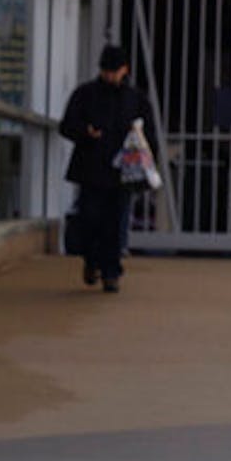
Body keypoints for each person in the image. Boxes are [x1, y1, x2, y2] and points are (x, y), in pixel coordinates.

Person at [58, 44, 156, 293]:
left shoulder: (136, 99)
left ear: (125, 70)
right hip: (92, 168)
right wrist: (85, 133)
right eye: (106, 70)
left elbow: (150, 133)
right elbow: (66, 125)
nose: (110, 76)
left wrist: (141, 147)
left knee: (115, 222)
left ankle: (111, 272)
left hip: (123, 171)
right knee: (90, 219)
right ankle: (92, 261)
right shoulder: (85, 94)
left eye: (114, 71)